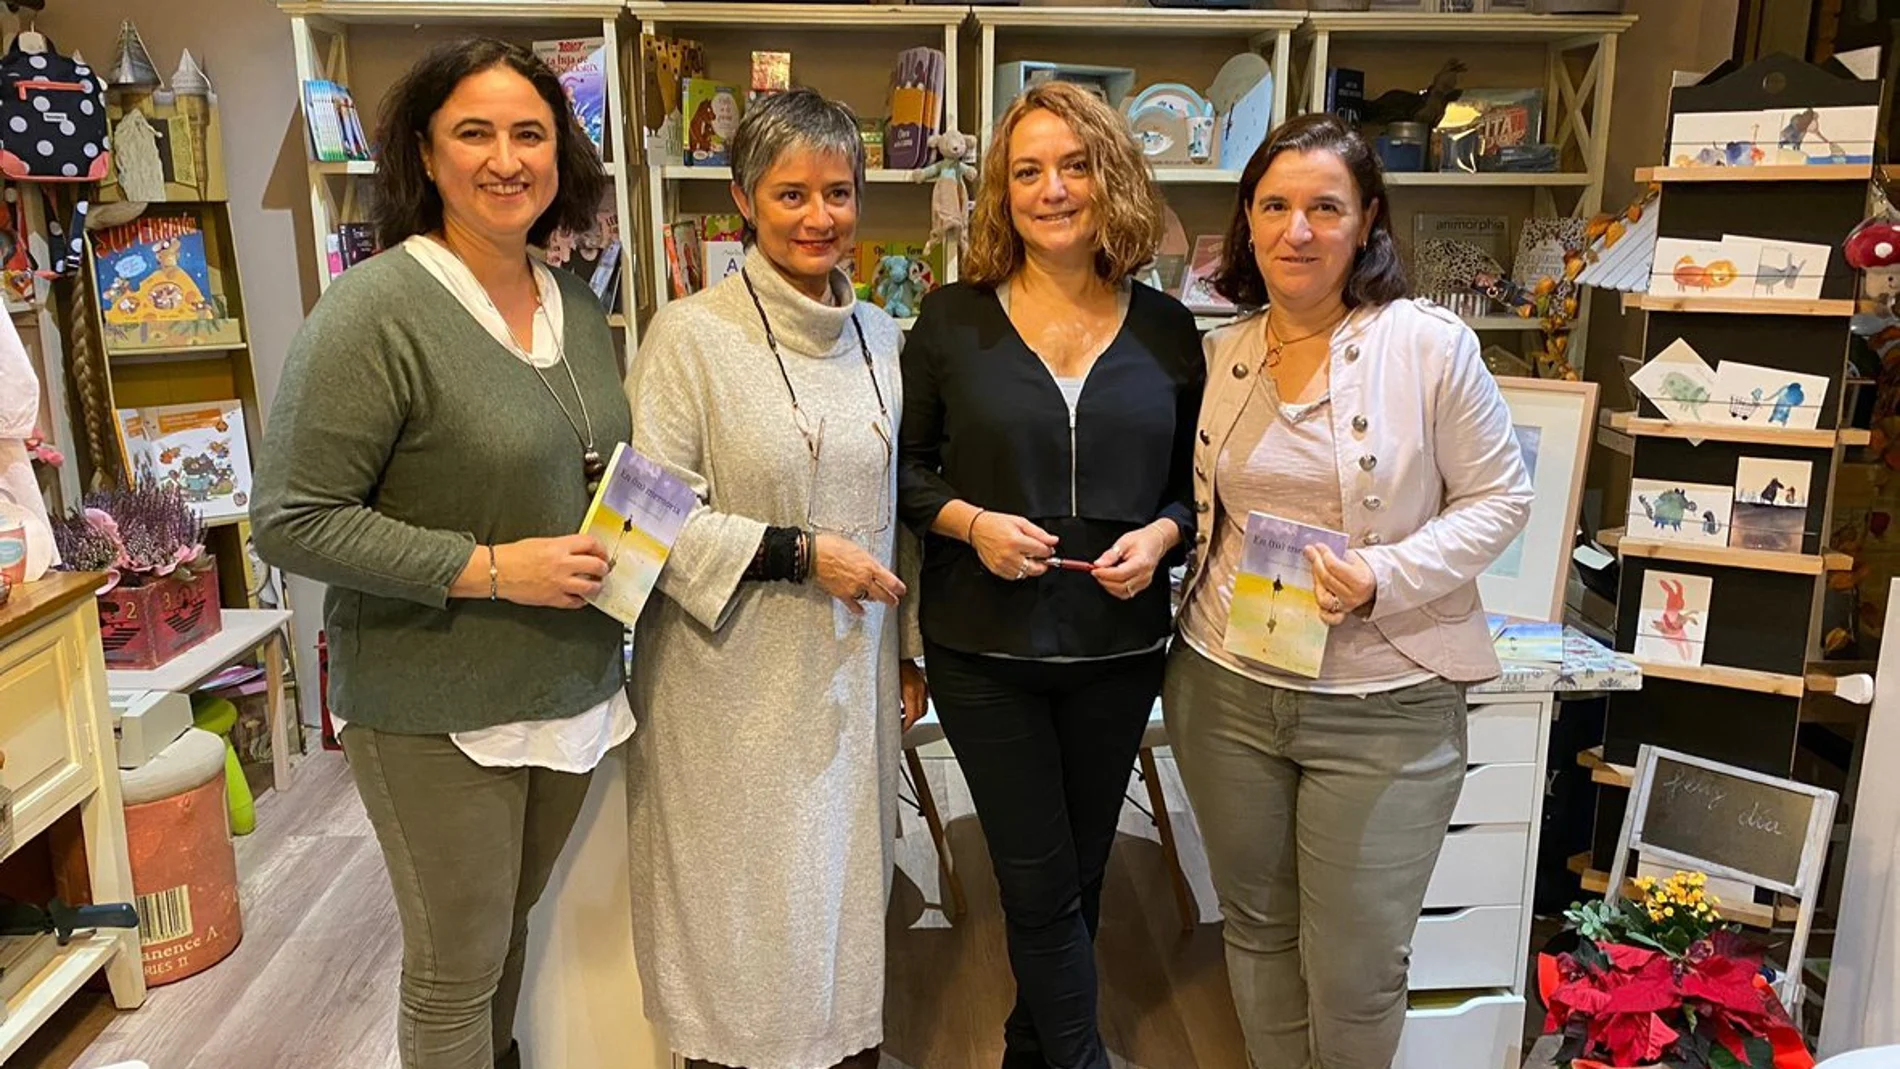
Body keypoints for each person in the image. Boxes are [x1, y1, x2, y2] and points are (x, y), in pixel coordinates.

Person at [250, 38, 624, 1069]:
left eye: (530, 134)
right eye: (474, 132)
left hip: (566, 686)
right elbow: (290, 518)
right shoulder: (372, 313)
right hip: (435, 702)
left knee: (504, 938)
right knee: (454, 967)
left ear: (561, 156)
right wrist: (495, 568)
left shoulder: (575, 303)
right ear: (424, 151)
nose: (506, 158)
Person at [1163, 112, 1533, 1069]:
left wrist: (1384, 574)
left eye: (1325, 207)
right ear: (1246, 221)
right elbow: (1205, 508)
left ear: (1367, 220)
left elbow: (1502, 497)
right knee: (1255, 930)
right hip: (1227, 688)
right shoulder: (1225, 351)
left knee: (1357, 966)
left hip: (1385, 706)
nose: (1298, 229)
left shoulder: (1431, 347)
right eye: (1275, 205)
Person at [897, 81, 1202, 1069]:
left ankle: (1032, 1050)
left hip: (1117, 650)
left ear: (1109, 180)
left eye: (1073, 166)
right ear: (1000, 192)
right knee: (1034, 880)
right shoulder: (951, 321)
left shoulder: (1167, 329)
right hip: (983, 646)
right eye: (1026, 171)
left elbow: (1197, 488)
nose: (1052, 189)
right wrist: (972, 522)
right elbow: (900, 471)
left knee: (1077, 873)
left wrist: (1161, 536)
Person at [623, 88, 924, 1069]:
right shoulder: (688, 336)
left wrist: (909, 648)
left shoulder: (883, 337)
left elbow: (894, 509)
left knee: (839, 916)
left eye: (837, 192)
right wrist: (799, 554)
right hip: (725, 688)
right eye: (790, 193)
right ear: (744, 200)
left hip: (850, 678)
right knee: (746, 933)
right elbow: (640, 521)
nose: (817, 217)